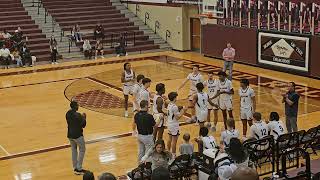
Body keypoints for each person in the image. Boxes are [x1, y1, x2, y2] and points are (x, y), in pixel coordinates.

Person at [66, 101, 87, 175]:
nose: (78, 106)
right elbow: (83, 125)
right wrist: (84, 117)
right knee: (82, 150)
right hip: (78, 135)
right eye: (77, 105)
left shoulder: (67, 113)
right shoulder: (78, 115)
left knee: (74, 150)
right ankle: (79, 168)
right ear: (75, 107)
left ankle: (75, 167)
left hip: (70, 135)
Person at [167, 92, 187, 157]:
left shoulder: (169, 105)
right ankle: (173, 155)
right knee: (174, 141)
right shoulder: (174, 106)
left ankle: (168, 152)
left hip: (169, 123)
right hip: (174, 125)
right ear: (174, 98)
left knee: (169, 139)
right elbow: (178, 117)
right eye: (176, 97)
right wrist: (183, 110)